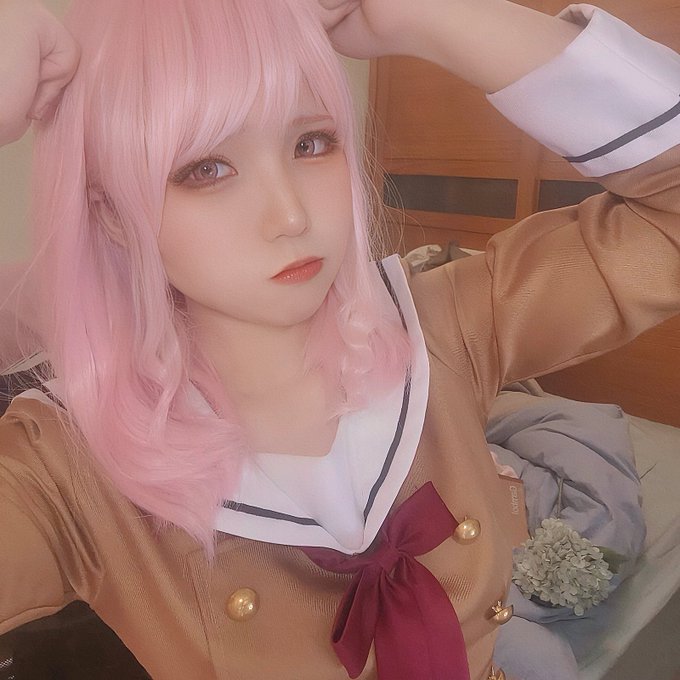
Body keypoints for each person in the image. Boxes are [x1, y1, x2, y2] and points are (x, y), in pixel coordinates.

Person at [1, 0, 679, 679]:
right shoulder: (64, 465)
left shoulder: (444, 325)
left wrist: (433, 17)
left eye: (310, 143)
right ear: (110, 213)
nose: (291, 215)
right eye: (206, 168)